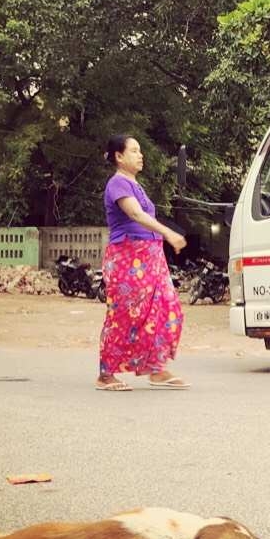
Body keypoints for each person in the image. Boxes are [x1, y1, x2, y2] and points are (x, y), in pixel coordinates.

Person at [97, 134, 190, 391]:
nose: (141, 155)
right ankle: (106, 374)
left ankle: (155, 369)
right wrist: (168, 232)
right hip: (128, 257)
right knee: (125, 314)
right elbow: (135, 214)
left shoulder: (136, 185)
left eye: (140, 151)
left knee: (167, 308)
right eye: (134, 150)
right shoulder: (117, 183)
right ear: (119, 156)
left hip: (151, 258)